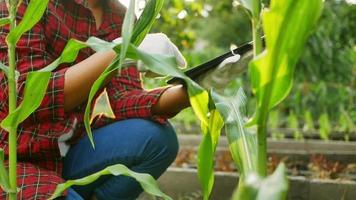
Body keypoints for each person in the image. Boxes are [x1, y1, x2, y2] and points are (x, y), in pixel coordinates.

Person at [0, 0, 191, 199]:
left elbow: (125, 98)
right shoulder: (23, 4)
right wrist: (120, 52)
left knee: (158, 138)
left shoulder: (120, 17)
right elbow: (23, 98)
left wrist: (193, 92)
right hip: (12, 160)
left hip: (68, 153)